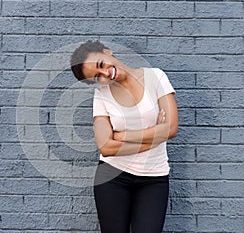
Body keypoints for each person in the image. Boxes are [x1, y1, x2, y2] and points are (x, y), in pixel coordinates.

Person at [70, 41, 178, 233]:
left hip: (154, 178)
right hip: (112, 178)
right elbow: (106, 148)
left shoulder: (156, 77)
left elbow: (170, 129)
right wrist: (155, 136)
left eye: (101, 64)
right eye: (97, 77)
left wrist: (122, 136)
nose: (105, 74)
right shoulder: (102, 95)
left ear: (107, 52)